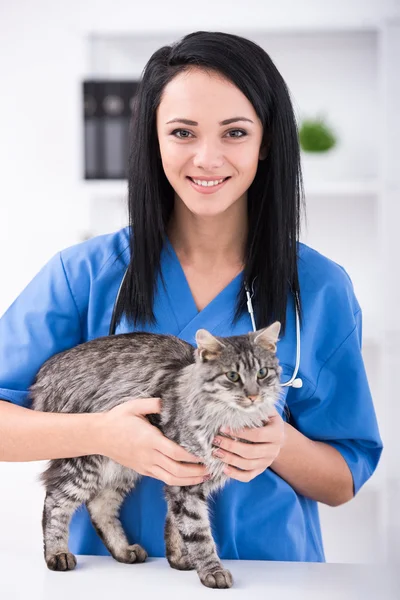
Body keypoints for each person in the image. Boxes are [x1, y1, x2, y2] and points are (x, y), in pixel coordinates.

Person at [0, 31, 383, 562]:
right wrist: (103, 434)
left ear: (265, 141)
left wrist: (281, 446)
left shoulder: (318, 287)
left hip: (273, 579)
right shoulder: (83, 274)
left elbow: (343, 481)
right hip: (112, 583)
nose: (207, 158)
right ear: (153, 139)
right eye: (182, 132)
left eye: (234, 132)